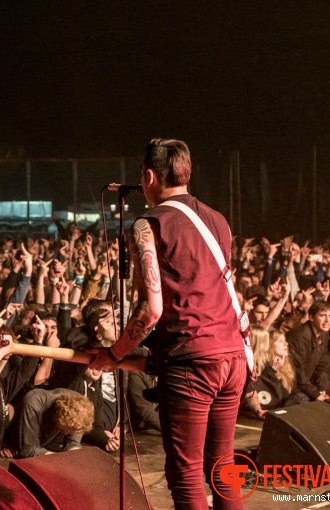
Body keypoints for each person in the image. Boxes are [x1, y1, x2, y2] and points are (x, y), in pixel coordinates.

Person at [91, 138, 247, 509]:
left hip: (192, 361)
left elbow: (151, 311)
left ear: (148, 175)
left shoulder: (148, 225)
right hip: (234, 357)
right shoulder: (218, 220)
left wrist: (113, 354)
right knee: (223, 467)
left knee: (186, 474)